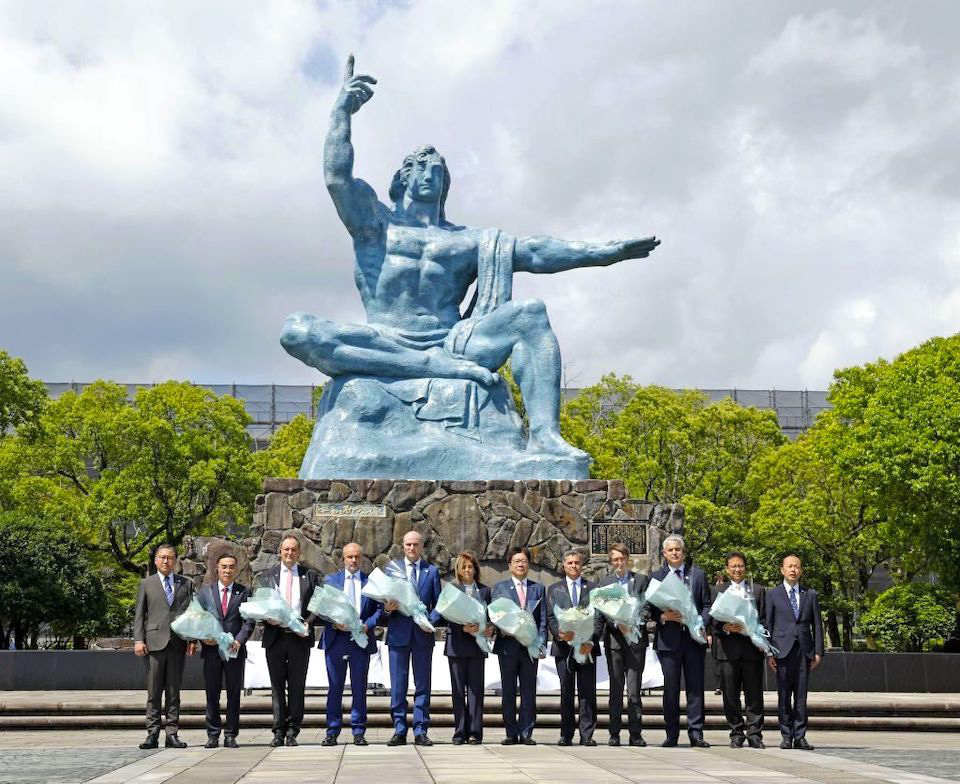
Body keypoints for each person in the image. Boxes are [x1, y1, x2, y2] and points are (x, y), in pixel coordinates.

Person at [281, 55, 660, 465]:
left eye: (438, 170)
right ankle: (427, 366)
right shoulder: (375, 223)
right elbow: (337, 178)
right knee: (298, 331)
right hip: (385, 339)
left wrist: (604, 253)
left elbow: (534, 251)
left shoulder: (467, 241)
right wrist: (341, 113)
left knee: (531, 314)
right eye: (421, 168)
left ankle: (547, 437)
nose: (430, 174)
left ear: (446, 184)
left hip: (453, 343)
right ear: (402, 177)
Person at [649, 534, 712, 748]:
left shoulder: (698, 575)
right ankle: (671, 734)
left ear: (683, 552)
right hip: (669, 640)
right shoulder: (656, 576)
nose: (675, 553)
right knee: (671, 689)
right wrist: (662, 617)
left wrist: (700, 622)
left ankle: (696, 733)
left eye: (678, 549)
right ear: (664, 554)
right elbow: (649, 609)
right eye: (671, 550)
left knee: (695, 688)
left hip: (694, 640)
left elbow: (707, 604)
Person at [260, 533, 321, 747]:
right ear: (280, 551)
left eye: (293, 549)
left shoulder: (310, 575)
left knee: (297, 686)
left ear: (299, 553)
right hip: (275, 637)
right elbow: (260, 605)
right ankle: (278, 731)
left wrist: (308, 622)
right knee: (276, 686)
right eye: (286, 549)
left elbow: (316, 605)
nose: (289, 553)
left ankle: (293, 730)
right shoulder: (267, 576)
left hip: (299, 638)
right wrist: (267, 617)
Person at [382, 530, 442, 746]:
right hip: (398, 635)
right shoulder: (392, 570)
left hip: (422, 636)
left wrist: (431, 622)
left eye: (415, 544)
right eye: (408, 544)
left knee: (422, 685)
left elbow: (439, 605)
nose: (411, 548)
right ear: (402, 546)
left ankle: (420, 730)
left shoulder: (431, 571)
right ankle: (399, 729)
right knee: (398, 686)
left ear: (421, 547)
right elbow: (383, 604)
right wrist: (387, 609)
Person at [319, 542, 382, 747]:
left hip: (360, 641)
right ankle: (332, 731)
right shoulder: (331, 580)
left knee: (359, 688)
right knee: (335, 688)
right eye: (349, 557)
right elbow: (322, 608)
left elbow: (379, 610)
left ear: (361, 558)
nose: (353, 560)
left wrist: (368, 625)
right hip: (336, 639)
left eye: (356, 557)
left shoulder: (370, 582)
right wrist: (333, 622)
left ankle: (358, 731)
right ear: (343, 559)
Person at [133, 543, 195, 750]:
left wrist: (192, 639)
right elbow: (139, 615)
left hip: (177, 642)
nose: (166, 561)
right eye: (162, 557)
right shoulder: (146, 583)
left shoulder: (186, 584)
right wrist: (138, 640)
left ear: (176, 560)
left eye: (170, 557)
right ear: (155, 560)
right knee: (154, 691)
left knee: (173, 691)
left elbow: (191, 613)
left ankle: (172, 733)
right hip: (153, 643)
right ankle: (152, 734)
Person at [765, 553, 824, 751]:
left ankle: (800, 736)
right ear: (782, 570)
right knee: (783, 695)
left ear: (801, 570)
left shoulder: (810, 594)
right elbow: (768, 624)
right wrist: (769, 652)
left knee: (801, 696)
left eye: (797, 567)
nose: (793, 570)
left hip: (804, 652)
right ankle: (786, 736)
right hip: (781, 651)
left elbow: (817, 624)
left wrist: (818, 652)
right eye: (789, 566)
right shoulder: (772, 594)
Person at [197, 552, 254, 748]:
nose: (227, 570)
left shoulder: (244, 592)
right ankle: (213, 734)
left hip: (234, 651)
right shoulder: (205, 592)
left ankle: (231, 734)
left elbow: (249, 621)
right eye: (224, 567)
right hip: (211, 651)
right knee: (212, 693)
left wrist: (239, 641)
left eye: (231, 567)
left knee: (233, 694)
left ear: (236, 570)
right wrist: (204, 638)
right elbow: (198, 618)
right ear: (217, 569)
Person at [491, 546, 547, 745]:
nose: (520, 564)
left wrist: (541, 643)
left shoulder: (538, 588)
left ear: (528, 564)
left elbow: (542, 620)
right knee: (508, 690)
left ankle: (526, 732)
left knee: (528, 691)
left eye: (523, 561)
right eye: (516, 561)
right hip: (508, 646)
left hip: (530, 648)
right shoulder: (500, 588)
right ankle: (510, 732)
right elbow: (495, 616)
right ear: (509, 565)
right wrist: (502, 629)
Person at [710, 551, 766, 749]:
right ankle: (736, 733)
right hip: (727, 650)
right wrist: (725, 627)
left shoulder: (757, 590)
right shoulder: (717, 590)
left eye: (740, 565)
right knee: (730, 696)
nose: (737, 569)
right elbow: (713, 622)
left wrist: (751, 628)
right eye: (733, 566)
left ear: (745, 567)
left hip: (751, 651)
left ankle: (755, 734)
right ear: (727, 569)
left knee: (754, 695)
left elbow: (765, 619)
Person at [597, 543, 650, 747]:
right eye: (615, 560)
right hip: (615, 642)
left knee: (635, 691)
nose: (619, 563)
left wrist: (635, 622)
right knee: (616, 690)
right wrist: (617, 623)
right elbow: (602, 611)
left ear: (628, 558)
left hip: (636, 641)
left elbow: (647, 606)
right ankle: (614, 733)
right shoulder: (605, 583)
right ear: (611, 562)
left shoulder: (641, 580)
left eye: (622, 558)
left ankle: (636, 734)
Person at [546, 550, 601, 747]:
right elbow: (551, 617)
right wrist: (559, 634)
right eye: (569, 563)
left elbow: (598, 617)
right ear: (563, 566)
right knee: (566, 692)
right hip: (563, 649)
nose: (573, 566)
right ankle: (566, 734)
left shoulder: (593, 588)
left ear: (582, 565)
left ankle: (587, 734)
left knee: (587, 693)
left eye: (577, 562)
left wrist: (591, 640)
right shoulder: (553, 589)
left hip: (587, 648)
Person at [444, 550, 495, 745]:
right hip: (456, 645)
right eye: (463, 567)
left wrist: (490, 629)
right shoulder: (452, 590)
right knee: (457, 691)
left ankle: (474, 732)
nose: (467, 570)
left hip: (477, 647)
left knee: (475, 691)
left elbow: (492, 618)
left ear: (476, 569)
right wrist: (462, 627)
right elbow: (445, 616)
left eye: (470, 566)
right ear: (458, 570)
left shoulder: (485, 591)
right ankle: (459, 732)